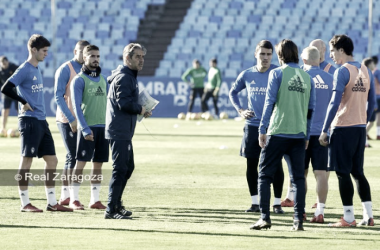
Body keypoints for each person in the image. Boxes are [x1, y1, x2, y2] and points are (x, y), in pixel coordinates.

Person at [0, 34, 72, 212]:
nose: (46, 54)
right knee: (26, 162)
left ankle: (52, 203)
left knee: (52, 160)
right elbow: (6, 88)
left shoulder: (36, 68)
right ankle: (25, 203)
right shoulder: (24, 68)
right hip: (29, 122)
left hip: (41, 120)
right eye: (44, 51)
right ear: (33, 49)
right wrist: (23, 102)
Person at [250, 39, 315, 231]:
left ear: (279, 55)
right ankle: (298, 221)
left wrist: (262, 130)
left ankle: (264, 218)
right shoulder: (306, 76)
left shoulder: (277, 73)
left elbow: (269, 103)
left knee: (264, 175)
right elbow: (311, 109)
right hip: (299, 134)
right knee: (298, 179)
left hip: (278, 131)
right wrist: (307, 135)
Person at [319, 35, 376, 227]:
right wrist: (362, 121)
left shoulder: (342, 71)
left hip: (343, 128)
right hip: (359, 129)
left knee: (342, 173)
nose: (332, 56)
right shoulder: (366, 70)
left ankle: (349, 217)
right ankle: (368, 216)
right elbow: (373, 102)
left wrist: (325, 129)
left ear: (341, 50)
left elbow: (334, 103)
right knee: (358, 172)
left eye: (333, 51)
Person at [229, 40, 284, 214]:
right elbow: (233, 92)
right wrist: (240, 110)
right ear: (256, 54)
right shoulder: (247, 74)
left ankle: (276, 204)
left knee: (276, 165)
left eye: (269, 54)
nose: (266, 57)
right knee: (251, 165)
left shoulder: (278, 73)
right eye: (262, 54)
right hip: (252, 126)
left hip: (273, 126)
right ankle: (255, 203)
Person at [285, 46, 333, 223]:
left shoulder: (300, 77)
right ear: (320, 59)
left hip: (301, 132)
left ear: (303, 61)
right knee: (321, 174)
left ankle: (302, 210)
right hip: (323, 133)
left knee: (301, 174)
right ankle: (320, 212)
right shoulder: (330, 78)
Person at [105, 43, 152, 219]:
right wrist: (140, 109)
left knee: (127, 167)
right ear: (127, 58)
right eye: (137, 57)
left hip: (123, 129)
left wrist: (141, 109)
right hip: (119, 129)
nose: (141, 60)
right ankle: (111, 209)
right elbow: (122, 103)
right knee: (120, 168)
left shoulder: (129, 76)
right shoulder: (124, 77)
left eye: (142, 57)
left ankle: (116, 204)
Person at [70, 45, 109, 210]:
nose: (96, 59)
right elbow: (76, 108)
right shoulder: (79, 80)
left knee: (98, 165)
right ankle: (74, 199)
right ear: (84, 58)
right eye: (92, 56)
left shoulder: (104, 79)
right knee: (80, 164)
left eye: (98, 56)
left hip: (103, 129)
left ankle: (95, 199)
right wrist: (84, 128)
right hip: (88, 128)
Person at [54, 40, 90, 205]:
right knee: (72, 156)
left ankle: (71, 195)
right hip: (67, 120)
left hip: (83, 121)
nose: (84, 54)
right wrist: (71, 119)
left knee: (80, 158)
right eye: (81, 51)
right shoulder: (65, 69)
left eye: (86, 52)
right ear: (75, 51)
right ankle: (65, 195)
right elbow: (58, 97)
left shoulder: (88, 71)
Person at [0, 56, 19, 131]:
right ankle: (3, 128)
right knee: (5, 110)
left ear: (8, 61)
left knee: (19, 111)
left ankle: (21, 127)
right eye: (2, 63)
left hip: (16, 93)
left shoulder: (14, 67)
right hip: (6, 94)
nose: (4, 65)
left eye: (5, 63)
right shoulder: (0, 71)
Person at [362, 57, 377, 146]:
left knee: (370, 122)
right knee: (369, 122)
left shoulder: (368, 73)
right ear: (368, 64)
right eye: (372, 63)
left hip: (368, 101)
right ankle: (364, 141)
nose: (374, 65)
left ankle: (365, 141)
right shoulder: (367, 74)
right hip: (367, 102)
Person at [371, 56, 380, 140]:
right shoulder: (377, 72)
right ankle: (378, 134)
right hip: (378, 96)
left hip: (371, 96)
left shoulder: (370, 72)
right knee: (378, 117)